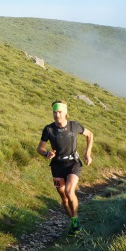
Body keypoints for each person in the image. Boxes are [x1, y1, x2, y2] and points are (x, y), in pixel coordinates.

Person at [37, 100, 94, 236]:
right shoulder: (49, 129)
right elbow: (40, 148)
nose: (57, 115)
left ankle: (75, 223)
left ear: (66, 113)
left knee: (69, 191)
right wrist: (46, 153)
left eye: (60, 112)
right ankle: (74, 222)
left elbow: (90, 135)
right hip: (56, 166)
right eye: (55, 112)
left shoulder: (74, 126)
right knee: (63, 196)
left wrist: (87, 153)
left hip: (73, 163)